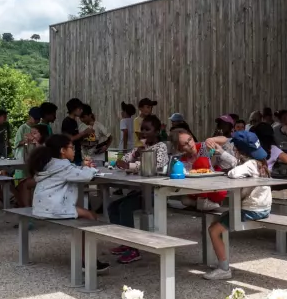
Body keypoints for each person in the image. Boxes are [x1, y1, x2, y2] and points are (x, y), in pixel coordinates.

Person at [27, 134, 109, 273]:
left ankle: (85, 257)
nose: (74, 150)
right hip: (54, 207)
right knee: (91, 217)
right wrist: (90, 168)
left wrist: (82, 167)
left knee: (87, 215)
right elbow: (85, 176)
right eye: (71, 147)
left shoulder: (49, 164)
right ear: (62, 151)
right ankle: (87, 260)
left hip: (41, 207)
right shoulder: (64, 167)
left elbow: (74, 172)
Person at [203, 131, 273, 282]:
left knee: (213, 229)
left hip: (252, 210)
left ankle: (224, 269)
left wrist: (227, 159)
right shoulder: (260, 163)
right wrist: (222, 153)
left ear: (239, 150)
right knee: (219, 219)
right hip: (263, 208)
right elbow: (237, 165)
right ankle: (221, 261)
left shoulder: (250, 165)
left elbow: (234, 172)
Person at [109, 115, 170, 264]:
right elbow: (123, 161)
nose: (143, 132)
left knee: (125, 207)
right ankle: (125, 241)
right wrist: (132, 156)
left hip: (155, 192)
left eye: (147, 129)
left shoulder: (160, 147)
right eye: (142, 129)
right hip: (141, 190)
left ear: (156, 132)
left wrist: (131, 165)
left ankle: (133, 249)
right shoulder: (140, 148)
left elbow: (156, 166)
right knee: (112, 207)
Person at [169, 128, 233, 212]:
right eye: (185, 144)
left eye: (190, 140)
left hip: (212, 188)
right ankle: (202, 203)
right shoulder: (181, 160)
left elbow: (226, 140)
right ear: (180, 149)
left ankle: (200, 203)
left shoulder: (204, 147)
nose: (190, 144)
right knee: (185, 199)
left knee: (201, 161)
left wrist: (212, 139)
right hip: (195, 190)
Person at [13, 107, 42, 180]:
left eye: (38, 119)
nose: (37, 120)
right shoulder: (22, 128)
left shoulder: (39, 128)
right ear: (30, 117)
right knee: (20, 178)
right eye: (35, 118)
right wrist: (27, 140)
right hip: (21, 157)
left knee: (31, 177)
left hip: (32, 157)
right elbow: (16, 143)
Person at [61, 98, 90, 165]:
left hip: (77, 154)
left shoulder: (74, 121)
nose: (81, 111)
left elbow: (76, 137)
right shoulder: (67, 121)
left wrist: (85, 135)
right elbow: (69, 138)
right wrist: (84, 132)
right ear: (74, 109)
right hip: (71, 156)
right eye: (80, 109)